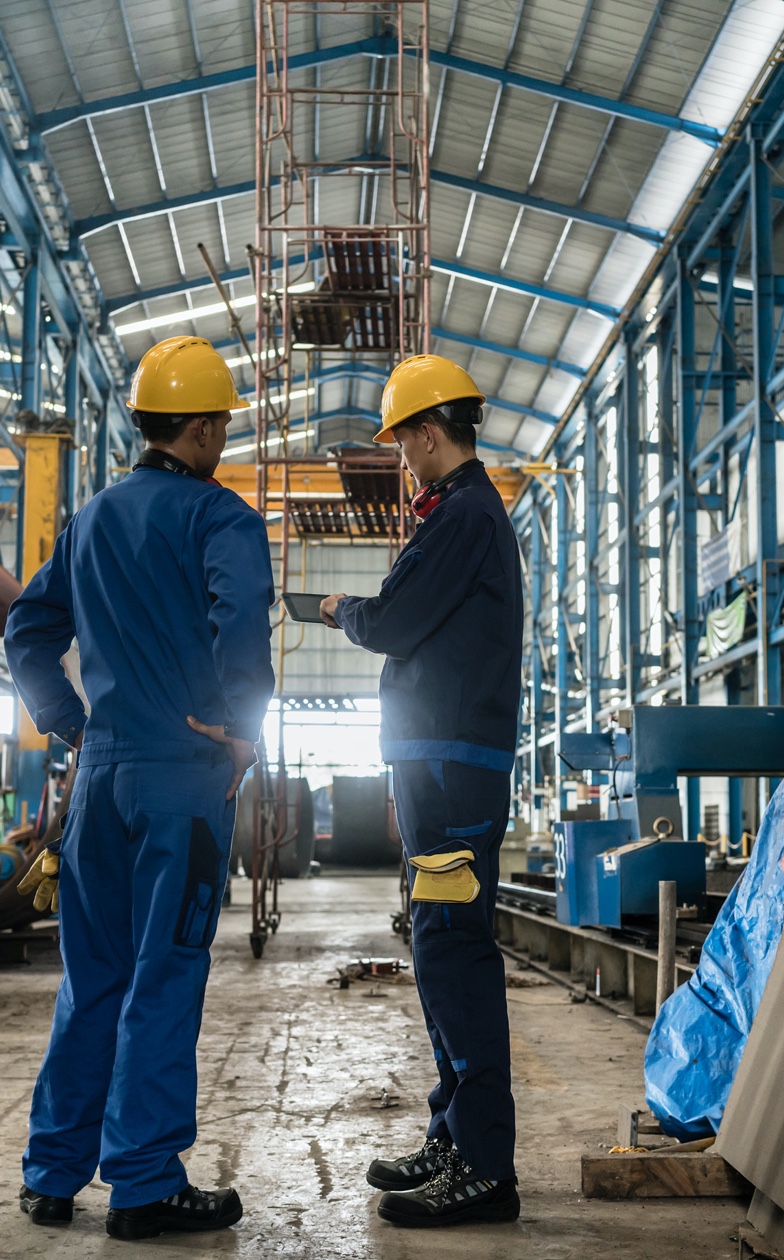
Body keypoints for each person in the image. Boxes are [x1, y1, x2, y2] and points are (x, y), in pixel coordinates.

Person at [6, 336, 275, 1241]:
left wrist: (75, 726)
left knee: (94, 980)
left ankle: (51, 1174)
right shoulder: (221, 519)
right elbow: (240, 619)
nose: (223, 441)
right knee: (164, 977)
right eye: (221, 427)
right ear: (200, 428)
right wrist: (244, 725)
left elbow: (26, 637)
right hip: (183, 781)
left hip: (102, 785)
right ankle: (146, 1182)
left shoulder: (88, 521)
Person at [320, 353, 523, 1228]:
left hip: (450, 769)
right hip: (435, 765)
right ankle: (454, 1135)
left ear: (428, 435)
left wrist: (333, 609)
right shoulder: (456, 514)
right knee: (437, 948)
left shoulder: (465, 516)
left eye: (402, 442)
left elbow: (395, 621)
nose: (402, 457)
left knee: (455, 953)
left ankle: (483, 1168)